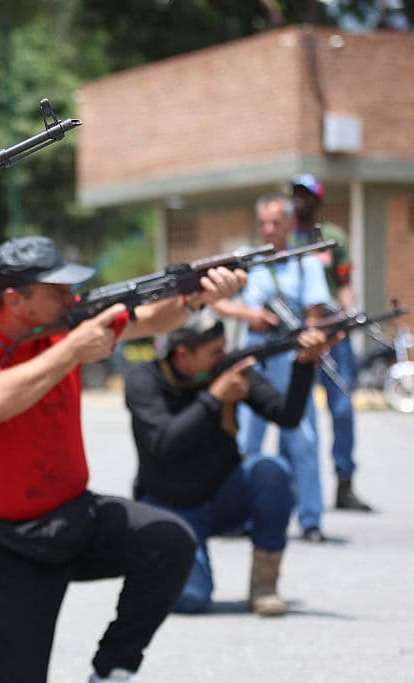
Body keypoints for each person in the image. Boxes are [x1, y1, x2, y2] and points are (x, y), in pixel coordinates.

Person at [0, 235, 246, 683]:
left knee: (170, 542)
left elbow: (149, 319)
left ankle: (112, 671)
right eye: (58, 291)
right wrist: (74, 349)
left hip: (73, 519)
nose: (72, 299)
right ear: (17, 300)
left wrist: (197, 298)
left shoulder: (66, 320)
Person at [124, 311, 333, 616]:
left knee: (271, 471)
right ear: (183, 354)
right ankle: (154, 564)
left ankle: (264, 587)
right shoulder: (144, 380)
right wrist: (214, 397)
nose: (223, 357)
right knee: (191, 599)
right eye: (214, 352)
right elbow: (164, 443)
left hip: (223, 496)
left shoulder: (228, 370)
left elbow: (286, 416)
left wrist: (303, 365)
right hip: (170, 506)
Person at [212, 193, 331, 543]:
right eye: (263, 223)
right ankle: (242, 514)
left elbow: (314, 314)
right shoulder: (247, 262)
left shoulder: (304, 263)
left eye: (276, 223)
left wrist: (309, 346)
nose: (269, 230)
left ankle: (310, 518)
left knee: (303, 440)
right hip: (256, 354)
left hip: (291, 358)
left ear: (290, 224)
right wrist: (248, 314)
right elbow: (214, 300)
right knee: (248, 439)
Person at [289, 173, 373, 512]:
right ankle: (294, 486)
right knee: (295, 409)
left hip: (333, 334)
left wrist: (347, 312)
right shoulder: (285, 237)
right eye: (296, 194)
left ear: (318, 200)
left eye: (306, 195)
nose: (300, 200)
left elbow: (344, 283)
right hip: (297, 335)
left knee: (341, 407)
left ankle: (344, 482)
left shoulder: (333, 236)